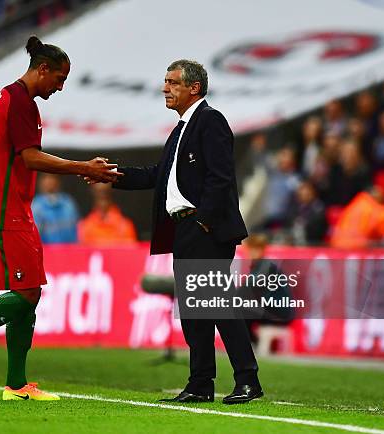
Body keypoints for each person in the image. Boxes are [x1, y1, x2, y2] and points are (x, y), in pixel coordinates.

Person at [0, 35, 120, 401]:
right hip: (3, 209)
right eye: (59, 78)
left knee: (28, 290)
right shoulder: (19, 104)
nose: (60, 87)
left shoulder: (11, 97)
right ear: (42, 69)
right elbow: (30, 158)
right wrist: (83, 166)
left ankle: (15, 385)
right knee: (28, 292)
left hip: (10, 206)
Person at [112, 60, 261, 404]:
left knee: (217, 305)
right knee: (195, 311)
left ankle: (248, 380)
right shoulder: (180, 129)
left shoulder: (210, 121)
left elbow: (221, 177)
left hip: (204, 228)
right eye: (165, 82)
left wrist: (204, 220)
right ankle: (200, 384)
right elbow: (156, 175)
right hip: (186, 229)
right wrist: (113, 175)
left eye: (172, 82)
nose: (165, 88)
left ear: (193, 88)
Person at [32, 173, 79, 244]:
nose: (50, 181)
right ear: (40, 181)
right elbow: (34, 237)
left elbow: (77, 231)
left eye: (53, 177)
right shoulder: (35, 206)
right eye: (45, 177)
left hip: (69, 251)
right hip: (46, 252)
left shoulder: (68, 203)